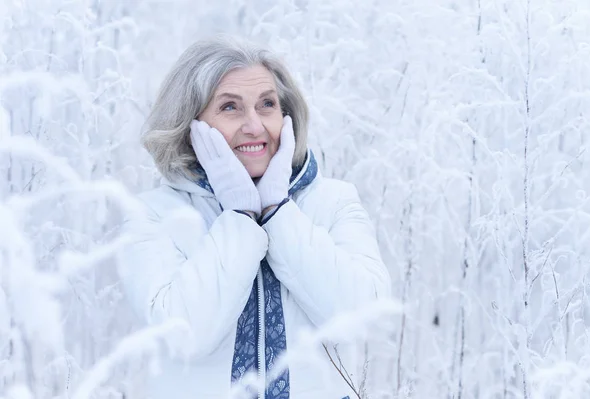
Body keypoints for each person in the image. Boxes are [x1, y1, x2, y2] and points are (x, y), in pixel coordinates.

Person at [117, 34, 391, 399]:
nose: (255, 126)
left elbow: (363, 318)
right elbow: (185, 335)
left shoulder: (334, 202)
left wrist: (278, 213)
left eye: (267, 105)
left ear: (287, 116)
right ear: (191, 123)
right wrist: (241, 217)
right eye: (230, 107)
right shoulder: (152, 215)